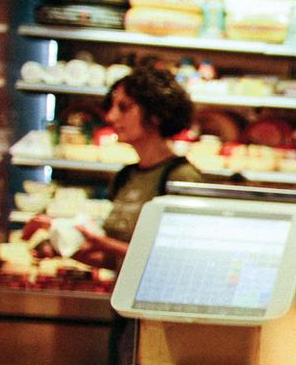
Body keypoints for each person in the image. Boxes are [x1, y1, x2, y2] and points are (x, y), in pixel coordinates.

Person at [67, 63, 206, 272]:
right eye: (112, 107)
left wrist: (104, 243)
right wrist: (63, 243)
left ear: (156, 114)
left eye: (124, 107)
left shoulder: (181, 178)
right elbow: (117, 262)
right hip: (119, 301)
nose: (111, 117)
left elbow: (180, 259)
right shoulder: (125, 175)